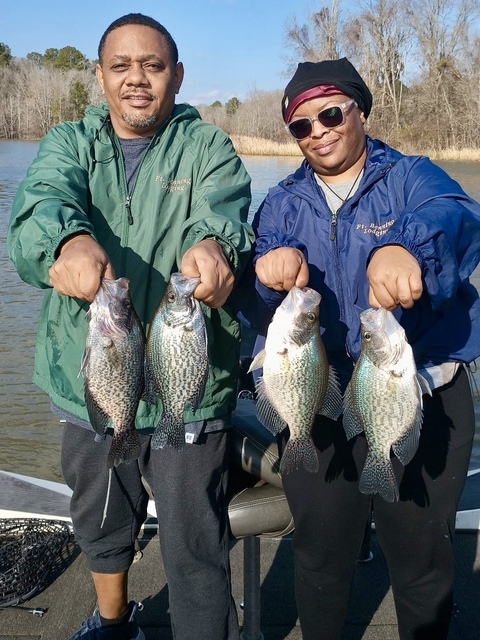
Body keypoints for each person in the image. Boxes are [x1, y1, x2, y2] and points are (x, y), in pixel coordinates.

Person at [8, 13, 253, 640]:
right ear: (99, 75)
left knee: (195, 533)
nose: (136, 79)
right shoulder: (69, 142)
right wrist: (67, 242)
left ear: (176, 75)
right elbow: (41, 203)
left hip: (188, 384)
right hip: (88, 377)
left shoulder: (208, 147)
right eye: (121, 66)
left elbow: (223, 214)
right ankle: (113, 621)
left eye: (152, 65)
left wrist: (214, 250)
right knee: (100, 519)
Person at [242, 57, 480, 639]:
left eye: (329, 114)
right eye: (301, 125)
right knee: (321, 557)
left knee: (421, 558)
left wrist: (406, 248)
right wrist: (265, 267)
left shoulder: (413, 176)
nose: (318, 132)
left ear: (360, 111)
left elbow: (456, 215)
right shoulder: (281, 202)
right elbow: (255, 288)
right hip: (316, 394)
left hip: (415, 390)